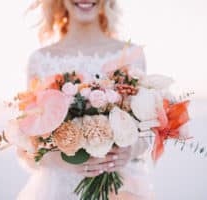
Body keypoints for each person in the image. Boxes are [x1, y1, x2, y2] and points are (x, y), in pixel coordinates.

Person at [17, 0, 155, 199]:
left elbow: (147, 130)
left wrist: (129, 150)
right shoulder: (40, 60)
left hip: (121, 187)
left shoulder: (131, 55)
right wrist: (62, 160)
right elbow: (26, 145)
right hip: (59, 189)